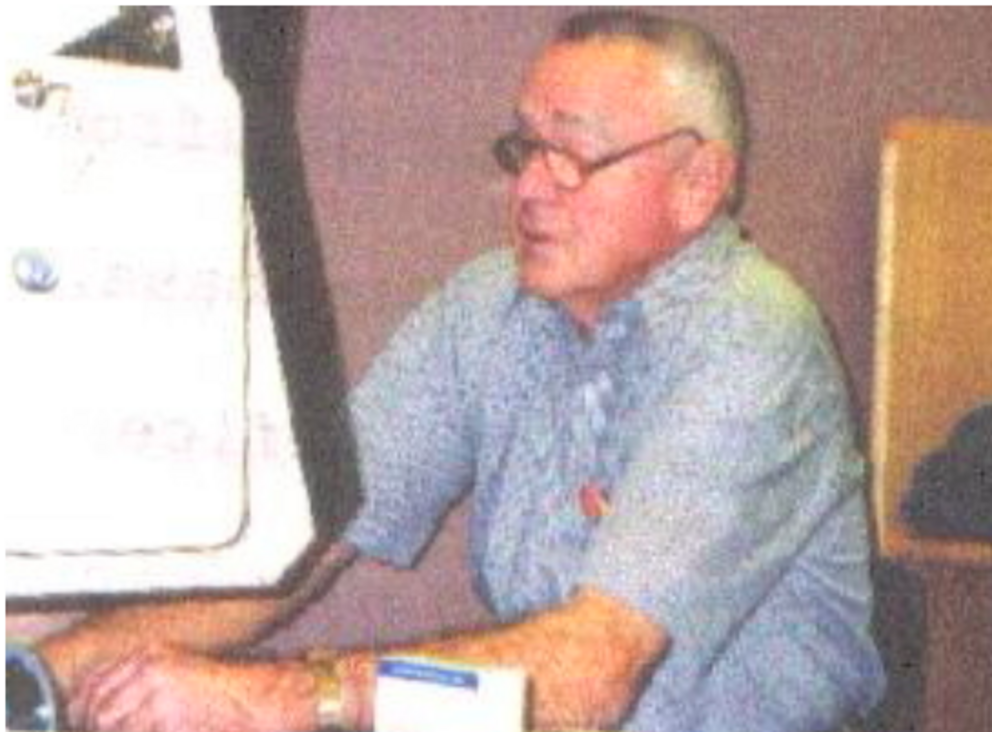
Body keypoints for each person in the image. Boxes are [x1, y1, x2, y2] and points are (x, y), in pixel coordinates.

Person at [37, 9, 886, 732]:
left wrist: (275, 698)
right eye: (524, 149)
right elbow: (305, 543)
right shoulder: (489, 307)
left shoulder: (755, 342)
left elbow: (591, 677)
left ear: (698, 182)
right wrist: (48, 673)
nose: (527, 189)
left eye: (575, 157)